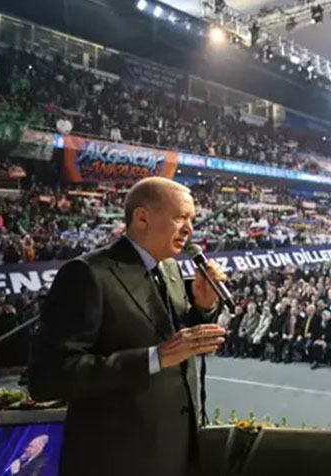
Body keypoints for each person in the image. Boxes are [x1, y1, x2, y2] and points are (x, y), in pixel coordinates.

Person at [29, 177, 226, 476]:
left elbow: (176, 344)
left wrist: (204, 307)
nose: (190, 229)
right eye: (180, 217)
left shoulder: (170, 268)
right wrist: (153, 358)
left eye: (191, 219)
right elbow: (49, 377)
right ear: (142, 218)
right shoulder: (87, 274)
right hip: (116, 459)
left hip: (174, 452)